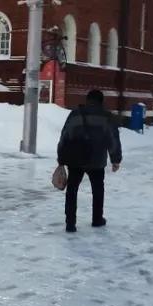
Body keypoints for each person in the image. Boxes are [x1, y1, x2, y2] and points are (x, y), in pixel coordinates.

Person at [57, 89, 123, 233]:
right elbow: (113, 139)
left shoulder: (75, 114)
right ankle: (97, 219)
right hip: (97, 159)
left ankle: (70, 223)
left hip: (75, 159)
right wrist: (115, 159)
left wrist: (61, 158)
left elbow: (65, 135)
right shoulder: (107, 117)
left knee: (72, 190)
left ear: (87, 100)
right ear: (101, 101)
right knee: (98, 189)